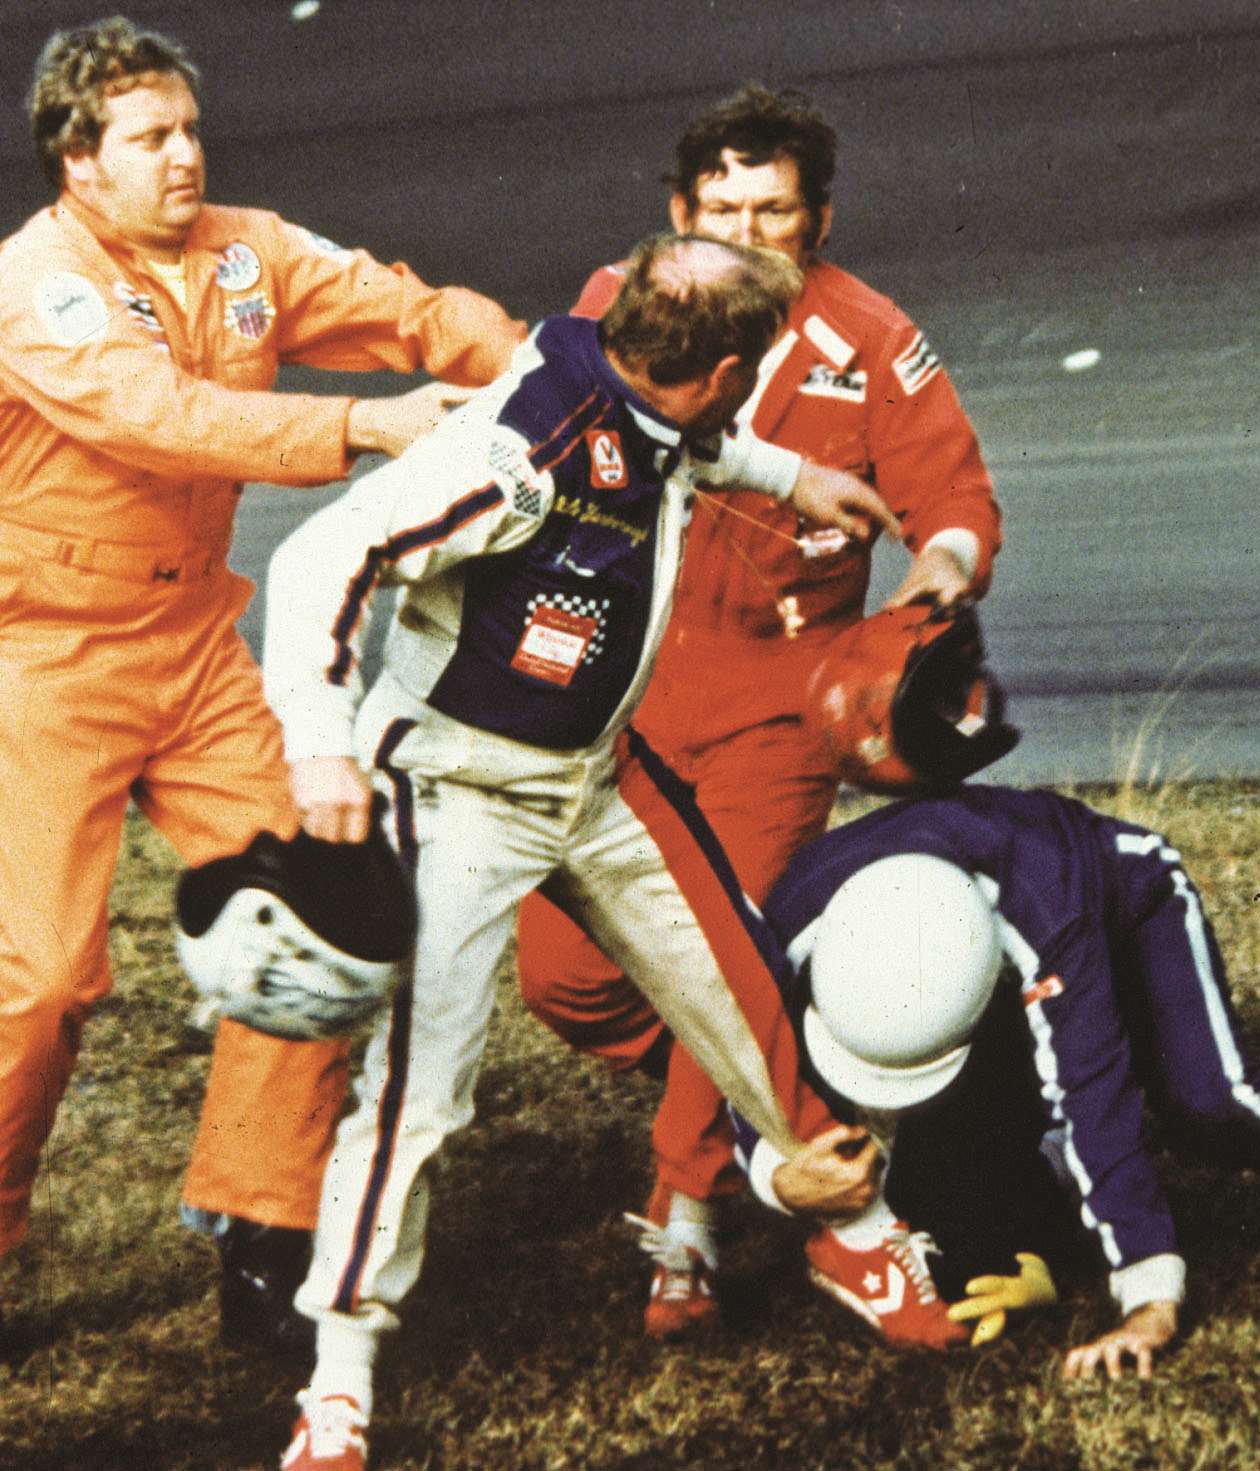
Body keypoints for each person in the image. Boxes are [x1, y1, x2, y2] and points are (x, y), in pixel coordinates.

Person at [261, 232, 959, 1471]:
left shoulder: (642, 383)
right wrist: (318, 745)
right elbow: (322, 554)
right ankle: (340, 1374)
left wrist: (793, 477)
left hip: (599, 774)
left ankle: (854, 1228)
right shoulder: (514, 453)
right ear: (731, 363)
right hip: (458, 794)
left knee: (744, 990)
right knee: (421, 1093)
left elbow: (688, 440)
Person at [0, 15, 524, 1370]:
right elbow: (164, 416)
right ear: (80, 162)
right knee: (54, 971)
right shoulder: (37, 283)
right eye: (150, 138)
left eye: (188, 129)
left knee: (324, 882)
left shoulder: (241, 248)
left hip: (189, 641)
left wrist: (526, 366)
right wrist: (366, 424)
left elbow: (403, 308)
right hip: (37, 646)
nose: (185, 156)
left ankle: (263, 1226)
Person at [512, 82, 1003, 1340]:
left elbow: (952, 498)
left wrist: (941, 574)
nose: (742, 231)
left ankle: (686, 1215)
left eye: (771, 209)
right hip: (620, 691)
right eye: (718, 206)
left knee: (713, 953)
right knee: (565, 976)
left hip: (782, 700)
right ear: (679, 213)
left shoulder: (874, 338)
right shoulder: (609, 306)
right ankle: (791, 1087)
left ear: (817, 220)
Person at [729, 785, 1260, 1381]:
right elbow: (729, 1048)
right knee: (938, 1197)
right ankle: (1049, 1217)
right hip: (988, 953)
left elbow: (1094, 1098)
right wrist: (778, 1177)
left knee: (1207, 1099)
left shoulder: (1050, 911)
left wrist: (1149, 1298)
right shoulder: (787, 918)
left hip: (1124, 895)